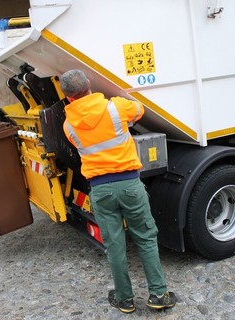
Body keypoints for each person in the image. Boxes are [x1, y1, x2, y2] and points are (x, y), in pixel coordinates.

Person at [60, 69, 176, 314]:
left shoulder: (69, 125)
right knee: (145, 237)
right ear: (90, 84)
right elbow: (140, 110)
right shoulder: (116, 108)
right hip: (129, 184)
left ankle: (124, 299)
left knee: (114, 245)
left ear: (68, 98)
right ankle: (158, 294)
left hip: (100, 190)